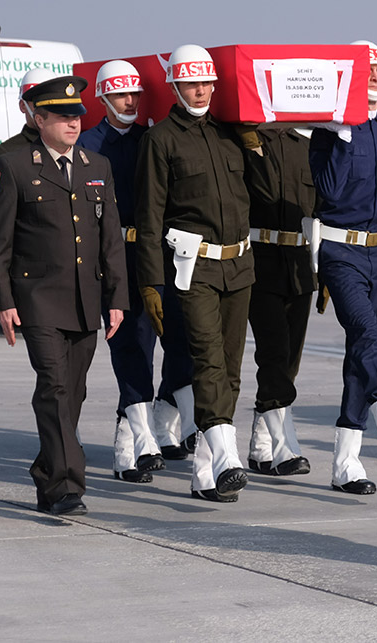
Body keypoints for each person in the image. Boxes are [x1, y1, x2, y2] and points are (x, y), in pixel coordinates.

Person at [0, 75, 127, 515]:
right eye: (62, 117)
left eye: (77, 115)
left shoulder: (96, 166)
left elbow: (110, 239)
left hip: (86, 299)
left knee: (74, 392)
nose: (73, 123)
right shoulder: (12, 164)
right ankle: (67, 486)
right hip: (38, 297)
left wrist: (117, 298)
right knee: (55, 385)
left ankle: (47, 475)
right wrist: (3, 301)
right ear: (39, 119)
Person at [136, 44, 253, 503]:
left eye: (206, 82)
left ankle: (205, 474)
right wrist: (151, 281)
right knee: (207, 360)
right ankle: (227, 459)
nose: (200, 90)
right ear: (174, 86)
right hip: (192, 268)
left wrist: (258, 145)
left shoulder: (231, 135)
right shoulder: (160, 139)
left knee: (231, 369)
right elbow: (149, 216)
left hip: (239, 266)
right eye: (190, 83)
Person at [309, 40, 377, 496]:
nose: (375, 75)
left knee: (361, 351)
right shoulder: (327, 132)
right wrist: (340, 136)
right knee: (366, 336)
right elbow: (329, 191)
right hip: (341, 254)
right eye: (366, 68)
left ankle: (345, 464)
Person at [78, 60, 166, 484]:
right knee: (127, 346)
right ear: (102, 97)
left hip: (148, 254)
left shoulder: (152, 139)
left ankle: (135, 440)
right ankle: (132, 446)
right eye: (120, 94)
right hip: (107, 258)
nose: (129, 101)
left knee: (150, 348)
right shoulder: (87, 144)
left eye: (134, 94)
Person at [242, 123, 316, 477]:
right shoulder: (248, 141)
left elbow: (320, 206)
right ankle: (285, 447)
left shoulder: (307, 146)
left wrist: (327, 268)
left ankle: (261, 445)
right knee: (273, 353)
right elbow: (267, 193)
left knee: (290, 362)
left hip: (300, 265)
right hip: (261, 262)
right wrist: (254, 149)